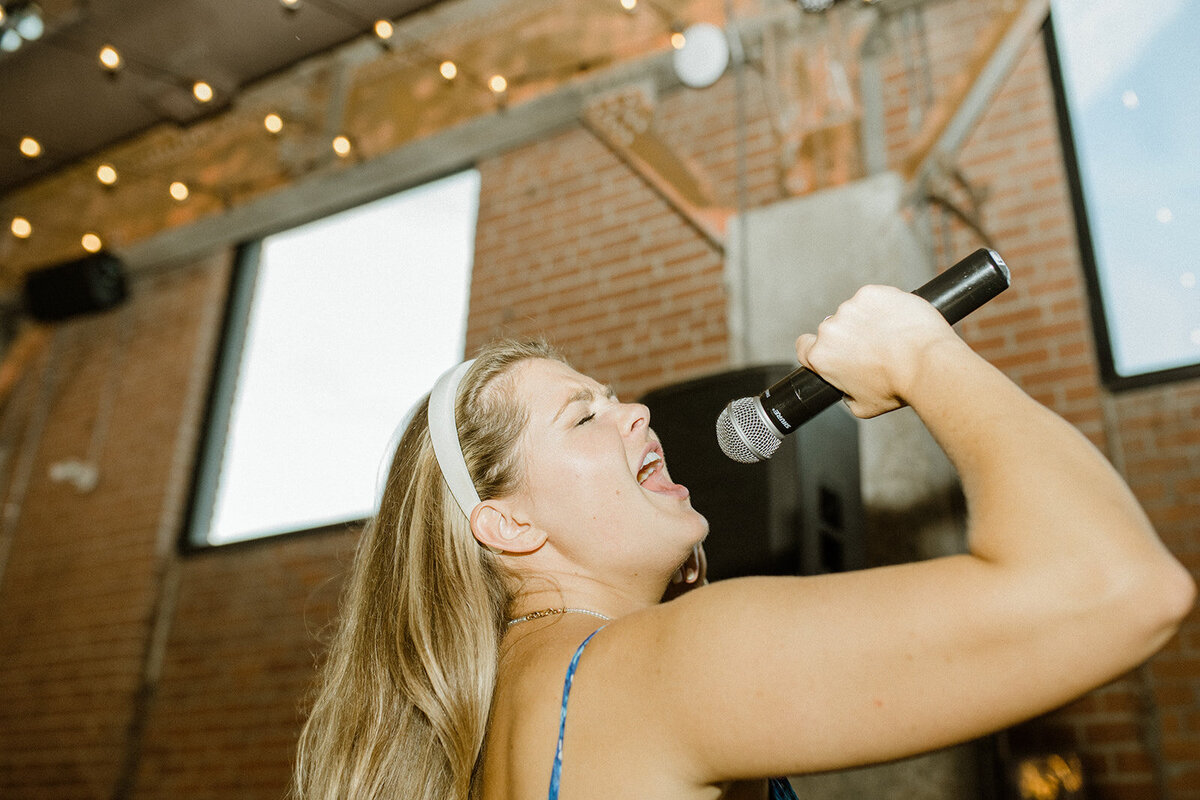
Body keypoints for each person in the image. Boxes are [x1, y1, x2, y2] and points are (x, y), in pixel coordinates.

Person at [292, 284, 1195, 800]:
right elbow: (1114, 585)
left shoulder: (518, 720)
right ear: (508, 525)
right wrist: (922, 354)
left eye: (617, 397)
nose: (634, 411)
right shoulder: (648, 672)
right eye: (584, 414)